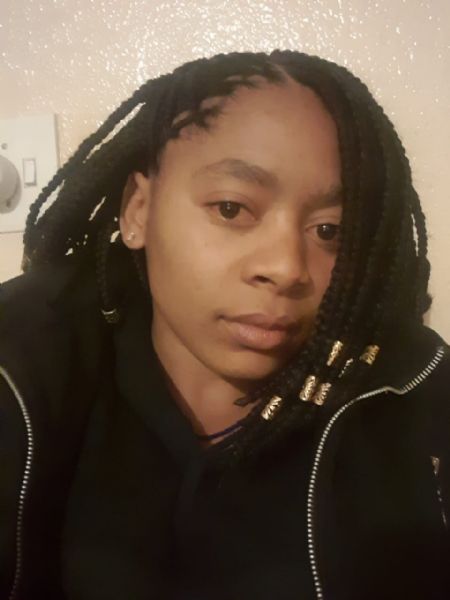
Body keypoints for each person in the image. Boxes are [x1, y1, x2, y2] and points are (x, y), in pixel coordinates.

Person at [0, 50, 448, 600]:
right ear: (138, 210)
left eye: (330, 230)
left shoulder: (414, 398)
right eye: (232, 209)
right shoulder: (23, 366)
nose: (286, 267)